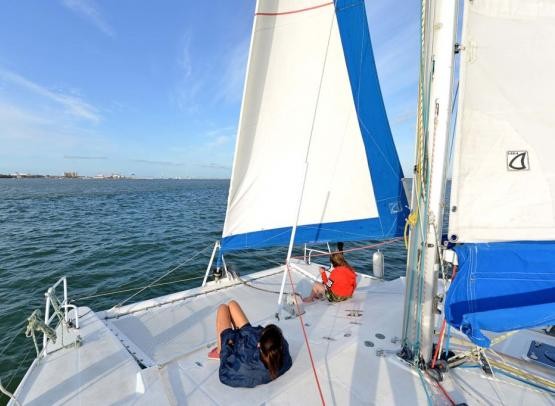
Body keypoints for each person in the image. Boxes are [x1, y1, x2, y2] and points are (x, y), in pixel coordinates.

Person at [208, 300, 293, 388]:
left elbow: (226, 374)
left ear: (259, 344)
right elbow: (254, 334)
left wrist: (226, 348)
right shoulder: (282, 351)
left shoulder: (246, 364)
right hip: (250, 348)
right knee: (232, 304)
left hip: (236, 356)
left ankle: (219, 351)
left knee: (222, 308)